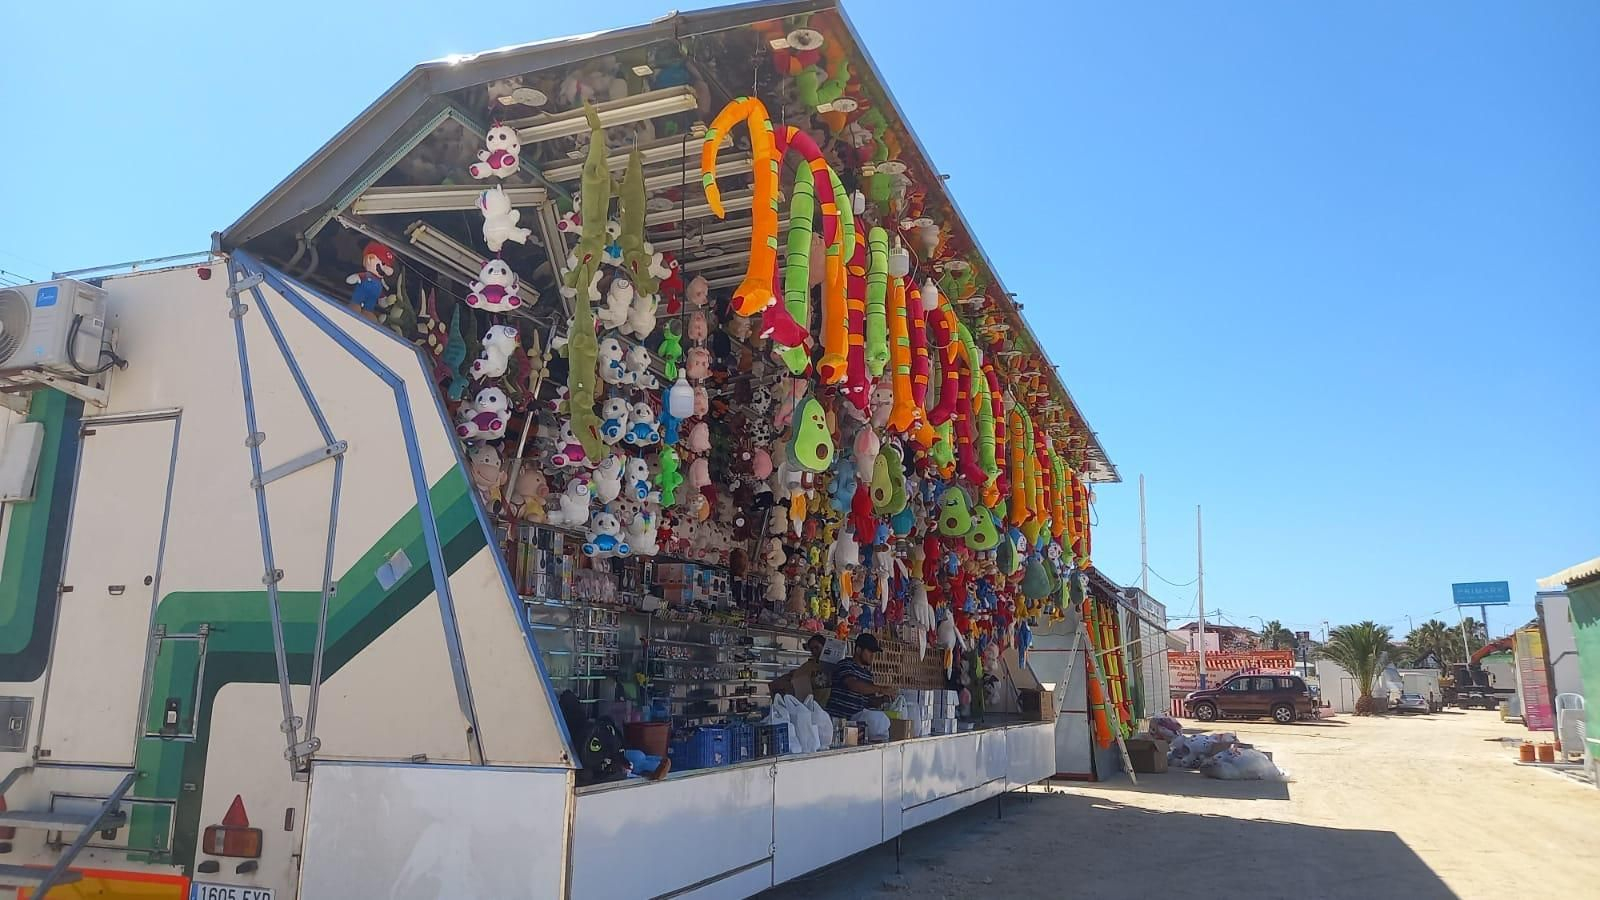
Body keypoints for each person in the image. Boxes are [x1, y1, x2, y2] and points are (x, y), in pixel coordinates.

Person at [825, 633, 897, 720]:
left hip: (855, 723)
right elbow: (853, 684)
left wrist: (883, 699)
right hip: (836, 719)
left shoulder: (868, 674)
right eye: (870, 651)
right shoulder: (845, 664)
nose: (872, 656)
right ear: (858, 650)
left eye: (874, 652)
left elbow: (869, 701)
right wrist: (881, 689)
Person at [770, 633, 831, 705]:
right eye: (812, 649)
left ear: (825, 647)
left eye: (817, 647)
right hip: (815, 706)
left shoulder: (835, 664)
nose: (814, 651)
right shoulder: (808, 666)